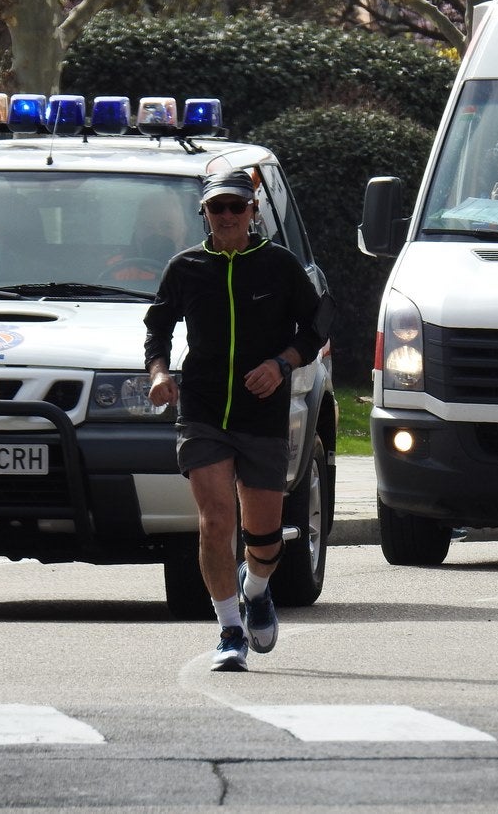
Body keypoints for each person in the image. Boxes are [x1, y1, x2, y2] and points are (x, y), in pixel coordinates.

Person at [143, 169, 328, 672]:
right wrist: (160, 373)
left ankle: (258, 587)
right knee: (216, 519)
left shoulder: (278, 266)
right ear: (203, 213)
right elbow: (157, 326)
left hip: (262, 412)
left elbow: (317, 327)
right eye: (216, 207)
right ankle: (229, 630)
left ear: (252, 213)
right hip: (202, 409)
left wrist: (281, 364)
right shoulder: (185, 267)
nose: (226, 215)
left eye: (236, 207)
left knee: (263, 536)